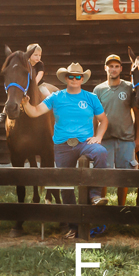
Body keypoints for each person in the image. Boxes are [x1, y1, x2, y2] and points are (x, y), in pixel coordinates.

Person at [22, 61, 110, 239]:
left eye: (78, 76)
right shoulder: (56, 97)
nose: (75, 79)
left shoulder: (91, 97)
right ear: (66, 78)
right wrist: (25, 103)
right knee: (65, 184)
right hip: (63, 145)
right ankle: (73, 225)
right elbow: (35, 111)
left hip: (85, 142)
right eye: (72, 76)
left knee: (101, 152)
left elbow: (104, 120)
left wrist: (98, 137)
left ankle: (95, 196)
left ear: (82, 79)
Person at [94, 54, 139, 206]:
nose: (114, 69)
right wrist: (94, 138)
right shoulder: (98, 90)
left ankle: (120, 208)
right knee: (104, 176)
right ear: (105, 68)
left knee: (125, 176)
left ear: (121, 69)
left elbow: (137, 114)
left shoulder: (129, 87)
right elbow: (93, 116)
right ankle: (102, 208)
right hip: (105, 139)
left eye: (117, 66)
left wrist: (138, 138)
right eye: (111, 66)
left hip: (126, 139)